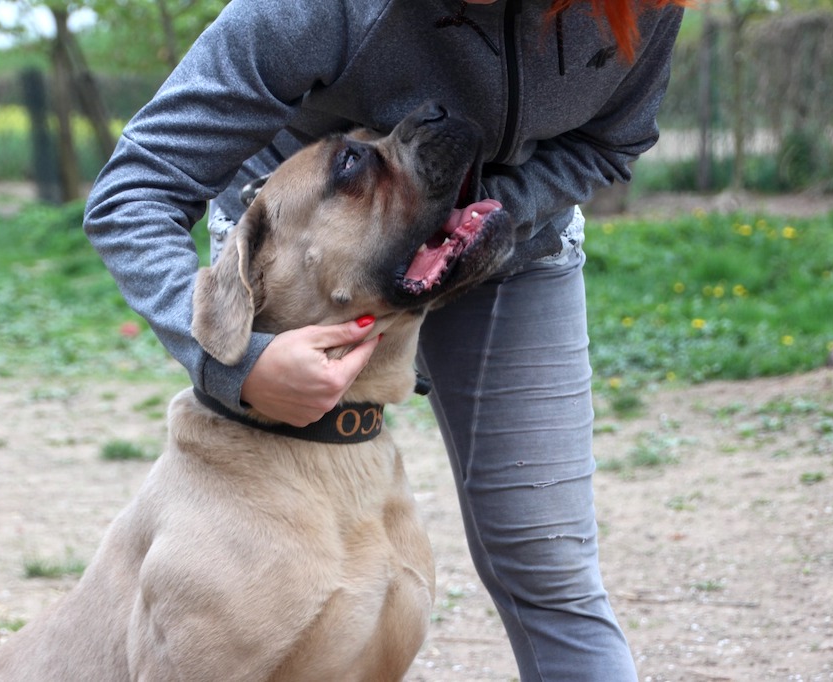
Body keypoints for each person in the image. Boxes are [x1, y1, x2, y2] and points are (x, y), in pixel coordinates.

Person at [84, 0, 687, 678]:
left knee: (551, 566)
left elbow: (616, 137)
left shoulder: (644, 5)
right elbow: (134, 188)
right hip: (298, 262)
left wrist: (484, 218)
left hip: (517, 238)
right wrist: (237, 362)